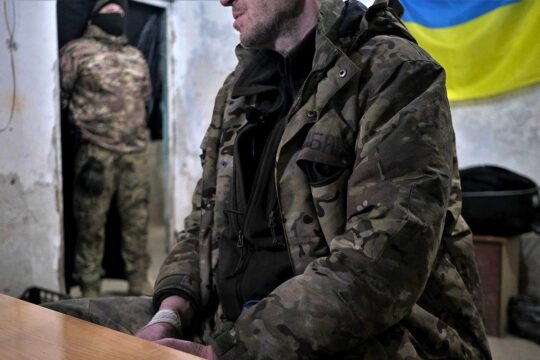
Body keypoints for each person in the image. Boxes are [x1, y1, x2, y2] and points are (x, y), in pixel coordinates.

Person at [47, 0, 491, 358]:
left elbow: (380, 268)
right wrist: (171, 309)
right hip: (231, 324)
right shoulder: (241, 88)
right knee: (50, 328)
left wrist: (229, 350)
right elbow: (204, 221)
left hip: (371, 337)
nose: (222, 1)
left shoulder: (394, 72)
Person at [59, 0, 153, 297]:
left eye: (121, 13)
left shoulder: (135, 56)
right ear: (97, 15)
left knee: (137, 221)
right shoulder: (77, 51)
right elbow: (60, 95)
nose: (117, 17)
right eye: (111, 12)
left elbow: (146, 96)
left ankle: (138, 281)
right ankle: (89, 287)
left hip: (135, 151)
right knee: (90, 221)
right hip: (95, 152)